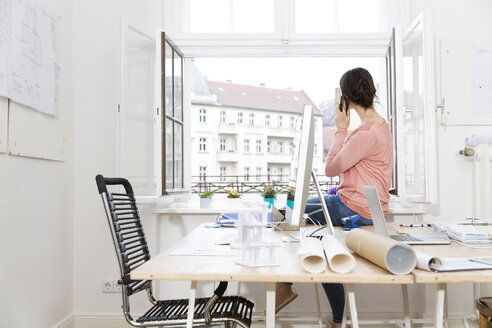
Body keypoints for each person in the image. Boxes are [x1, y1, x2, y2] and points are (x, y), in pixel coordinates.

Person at [275, 67, 394, 328]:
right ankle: (335, 319)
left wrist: (340, 129)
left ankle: (284, 286)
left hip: (353, 207)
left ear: (347, 99)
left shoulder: (365, 134)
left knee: (287, 214)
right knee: (318, 236)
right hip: (364, 205)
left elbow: (331, 169)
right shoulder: (382, 127)